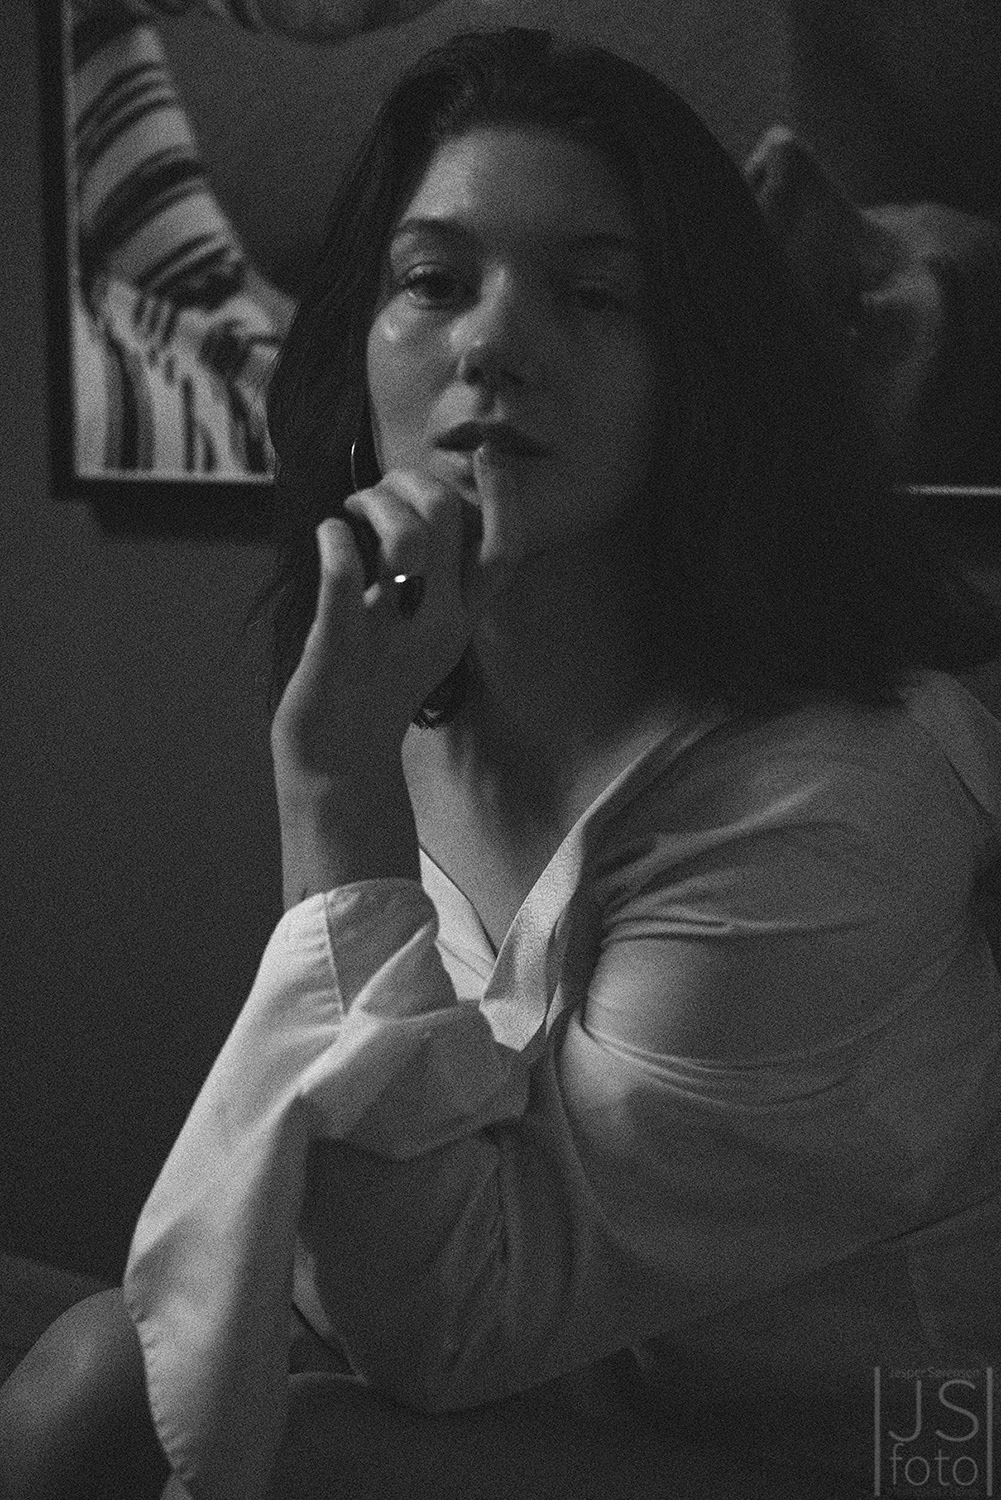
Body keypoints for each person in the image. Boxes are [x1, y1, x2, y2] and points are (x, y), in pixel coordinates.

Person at [4, 23, 1001, 1500]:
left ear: (698, 374)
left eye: (593, 294)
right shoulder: (428, 699)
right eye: (432, 281)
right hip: (568, 1377)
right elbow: (365, 1212)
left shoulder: (823, 800)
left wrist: (329, 783)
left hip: (890, 1444)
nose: (490, 344)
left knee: (182, 1416)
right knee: (82, 1359)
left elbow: (447, 1324)